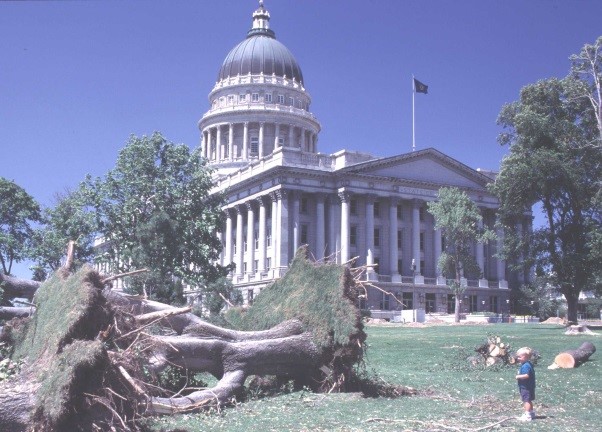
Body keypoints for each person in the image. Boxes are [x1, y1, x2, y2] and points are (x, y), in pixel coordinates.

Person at [515, 347, 536, 421]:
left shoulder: (525, 365)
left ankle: (527, 415)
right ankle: (532, 413)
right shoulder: (528, 364)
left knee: (526, 401)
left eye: (519, 357)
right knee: (529, 400)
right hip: (530, 386)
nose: (518, 358)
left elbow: (527, 375)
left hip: (526, 386)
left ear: (526, 357)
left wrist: (518, 376)